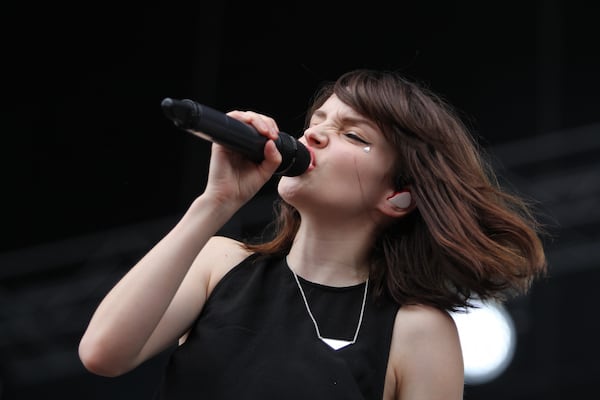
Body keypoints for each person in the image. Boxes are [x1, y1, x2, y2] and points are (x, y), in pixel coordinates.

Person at [78, 69, 547, 399]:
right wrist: (216, 202)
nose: (314, 136)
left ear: (398, 196)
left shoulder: (417, 331)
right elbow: (104, 353)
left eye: (353, 135)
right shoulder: (220, 264)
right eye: (317, 122)